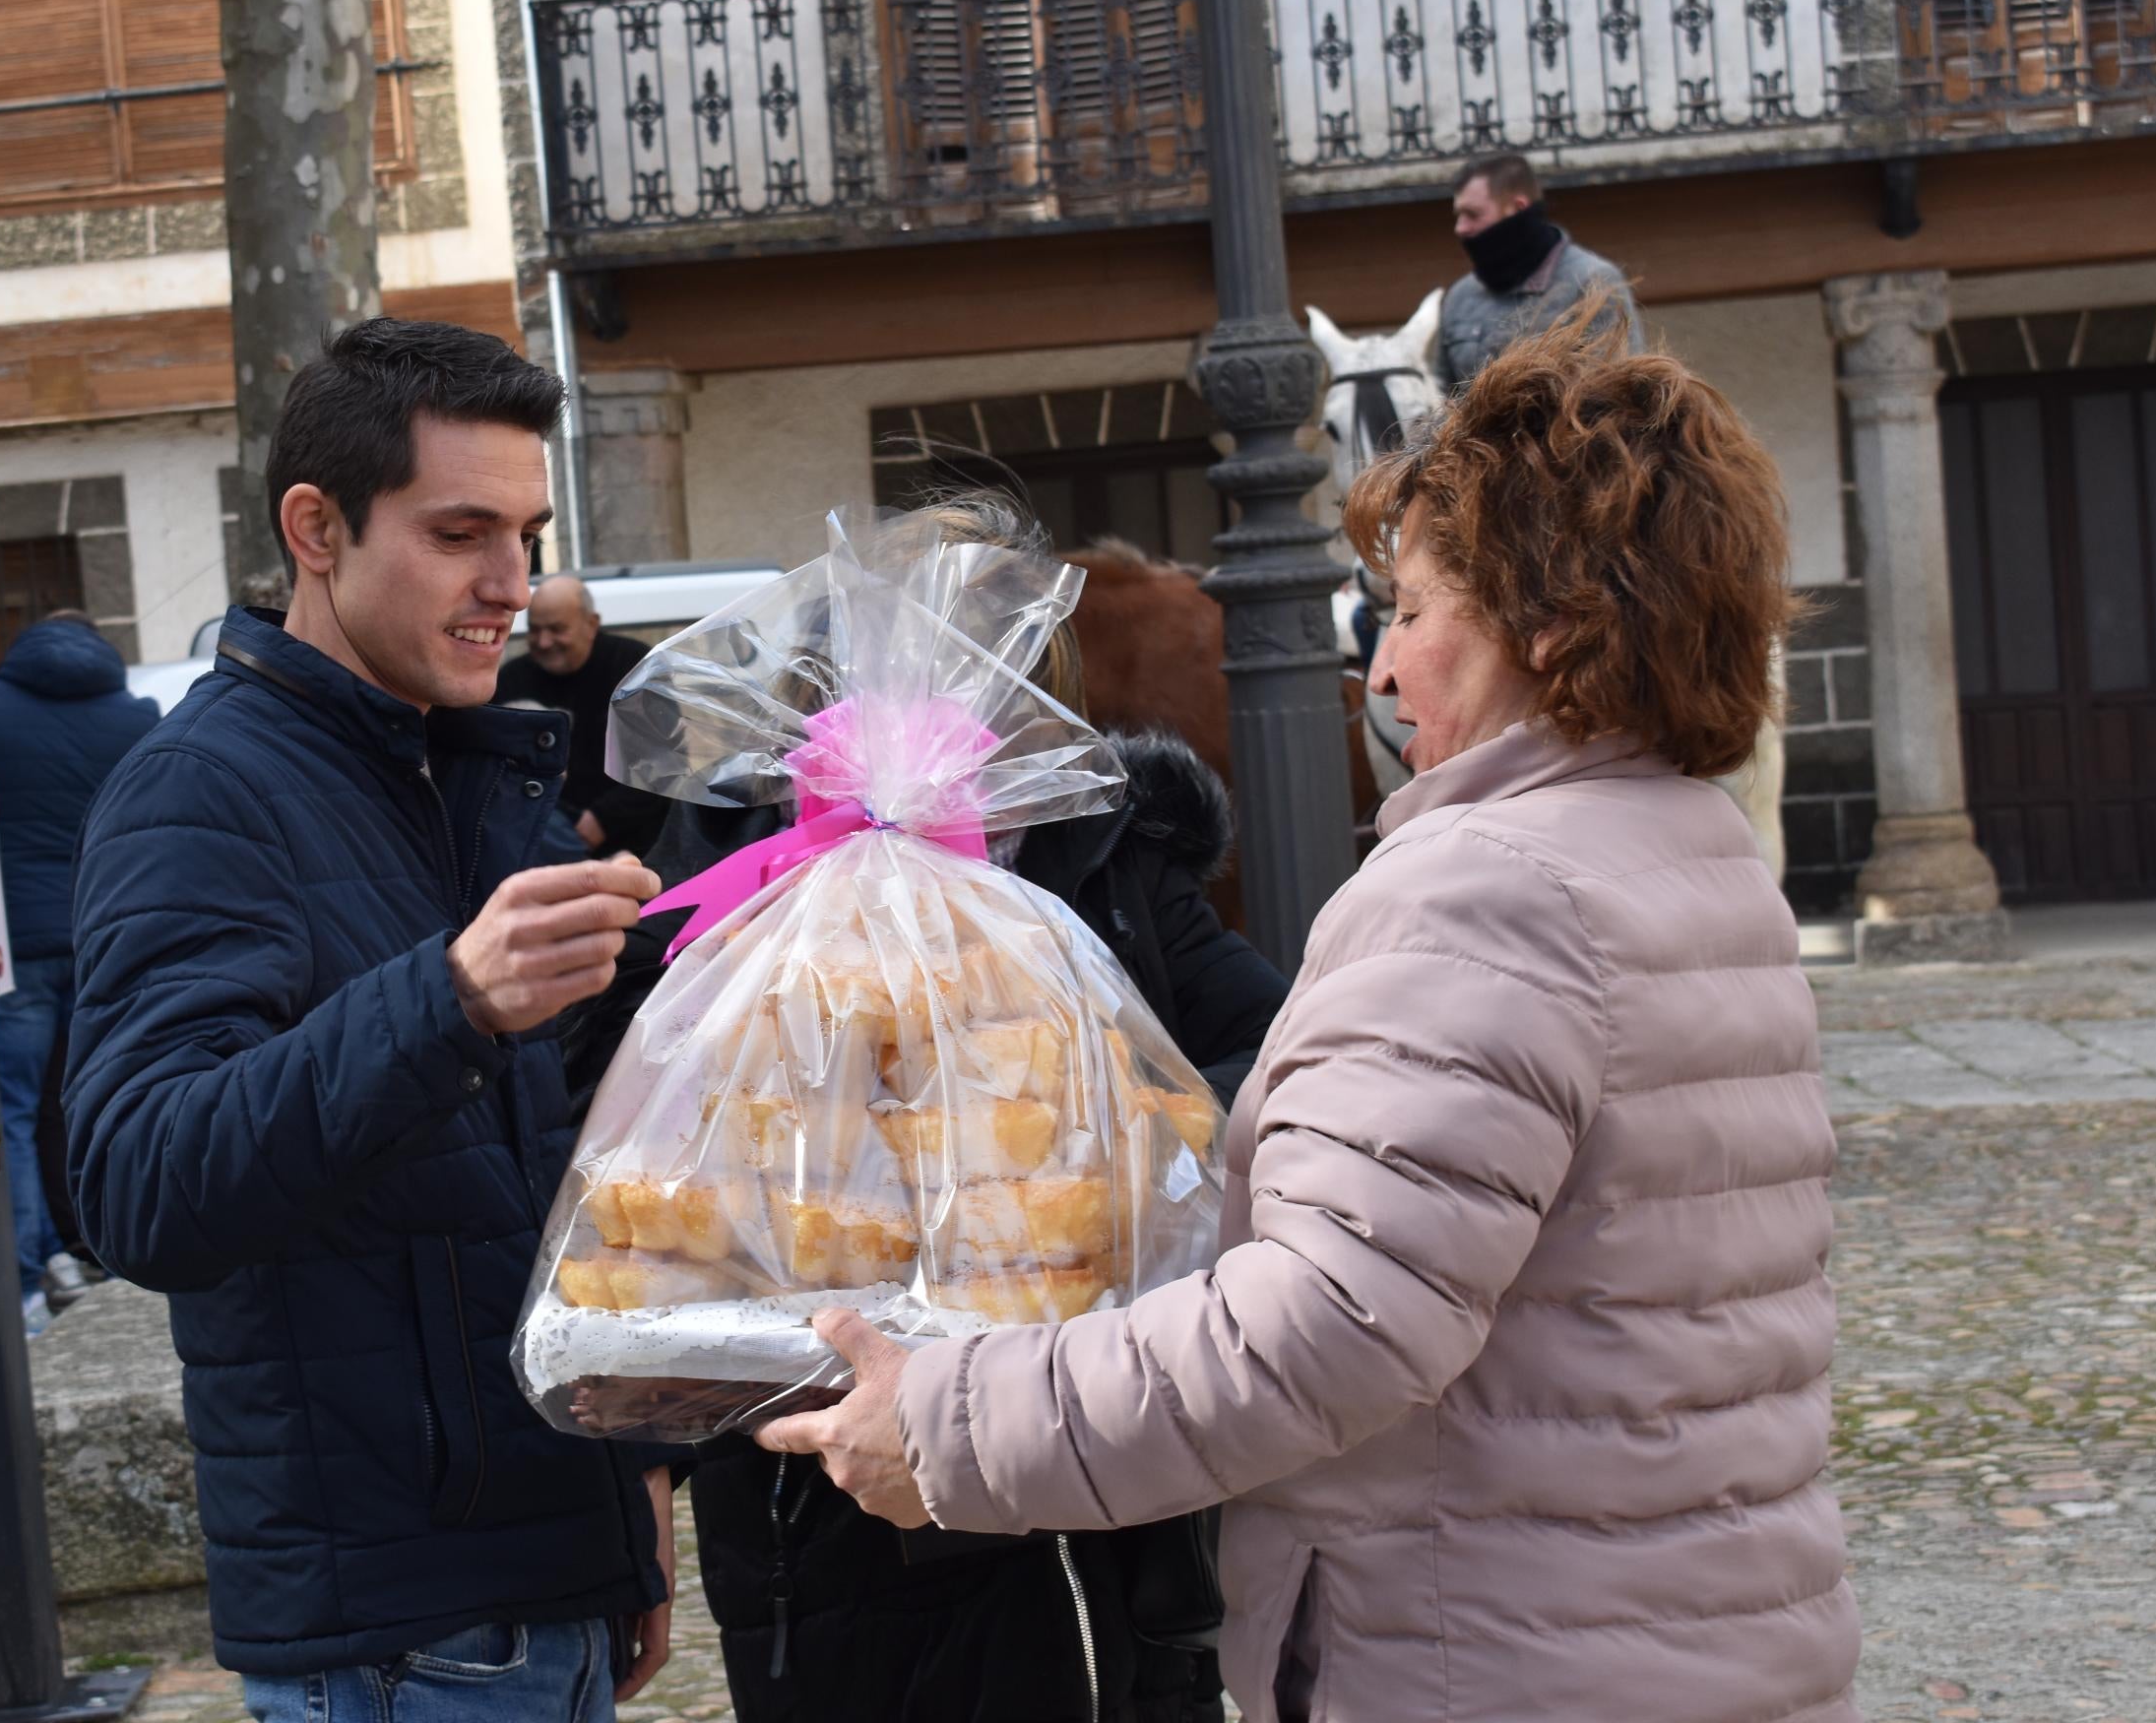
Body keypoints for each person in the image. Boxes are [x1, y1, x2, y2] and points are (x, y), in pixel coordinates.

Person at [764, 316, 1856, 1723]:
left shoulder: (1488, 888)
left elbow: (1327, 1329)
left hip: (1499, 1654)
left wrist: (948, 1421)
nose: (1383, 672)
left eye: (1410, 609)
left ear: (1553, 621)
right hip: (1694, 1632)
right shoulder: (1691, 849)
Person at [559, 493, 1286, 1723]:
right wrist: (645, 1453)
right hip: (830, 1511)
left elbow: (1262, 1059)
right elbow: (634, 1172)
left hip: (1096, 1476)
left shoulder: (1100, 864)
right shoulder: (740, 892)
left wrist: (1114, 1139)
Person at [65, 318, 677, 1719]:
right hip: (399, 1633)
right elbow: (136, 1182)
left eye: (526, 535)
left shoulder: (468, 770)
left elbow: (518, 1198)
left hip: (539, 1572)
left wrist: (625, 1480)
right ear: (316, 528)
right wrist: (451, 997)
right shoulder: (198, 792)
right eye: (463, 533)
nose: (509, 588)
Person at [0, 609, 158, 1326]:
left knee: (12, 1114)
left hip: (11, 941)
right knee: (89, 1100)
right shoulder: (135, 716)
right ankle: (99, 1247)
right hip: (99, 936)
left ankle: (30, 1274)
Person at [1433, 152, 1638, 393]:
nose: (1461, 228)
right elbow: (1442, 399)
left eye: (1473, 215)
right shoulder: (1460, 296)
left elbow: (1619, 396)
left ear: (1517, 208)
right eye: (1458, 216)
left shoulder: (1591, 281)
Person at [495, 575, 668, 858]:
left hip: (640, 849)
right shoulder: (511, 681)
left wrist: (603, 818)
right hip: (542, 842)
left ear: (591, 624)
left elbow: (665, 763)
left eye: (557, 629)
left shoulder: (634, 669)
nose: (544, 641)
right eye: (534, 630)